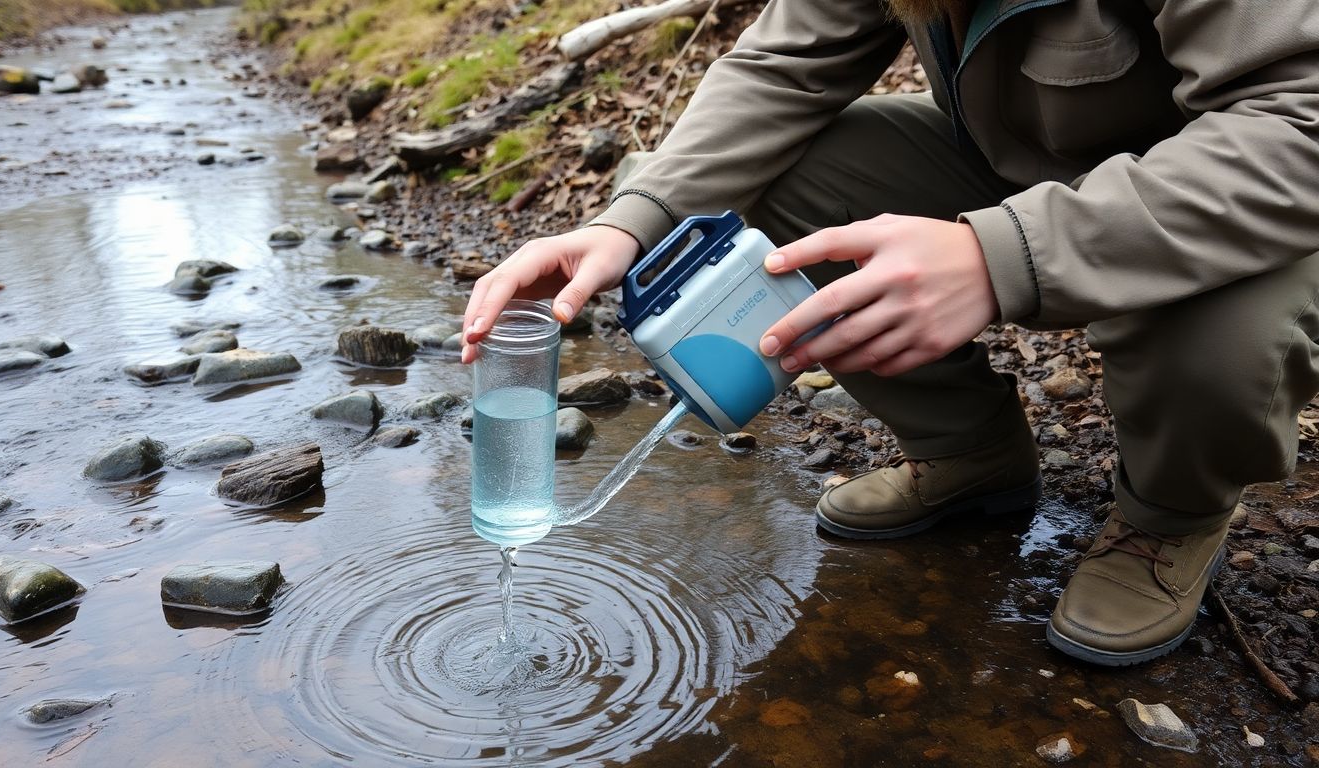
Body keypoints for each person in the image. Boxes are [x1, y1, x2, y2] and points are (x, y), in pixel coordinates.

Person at [460, 0, 1319, 666]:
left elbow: (1299, 122)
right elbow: (782, 65)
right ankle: (971, 453)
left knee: (1227, 335)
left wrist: (997, 256)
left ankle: (1170, 517)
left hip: (1226, 200)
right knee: (774, 194)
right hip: (1012, 168)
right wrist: (628, 224)